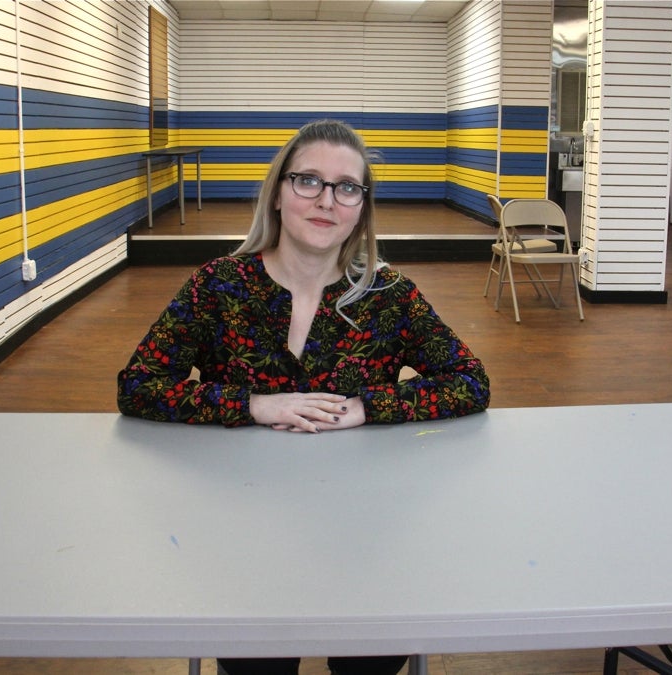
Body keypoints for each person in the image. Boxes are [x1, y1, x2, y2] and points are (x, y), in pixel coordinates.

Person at [116, 119, 489, 674]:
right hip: (244, 526)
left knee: (367, 664)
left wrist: (367, 407)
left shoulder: (389, 296)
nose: (326, 201)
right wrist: (251, 405)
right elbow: (139, 384)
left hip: (367, 531)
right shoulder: (219, 286)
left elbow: (470, 381)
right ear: (278, 194)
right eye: (308, 181)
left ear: (361, 207)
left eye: (347, 187)